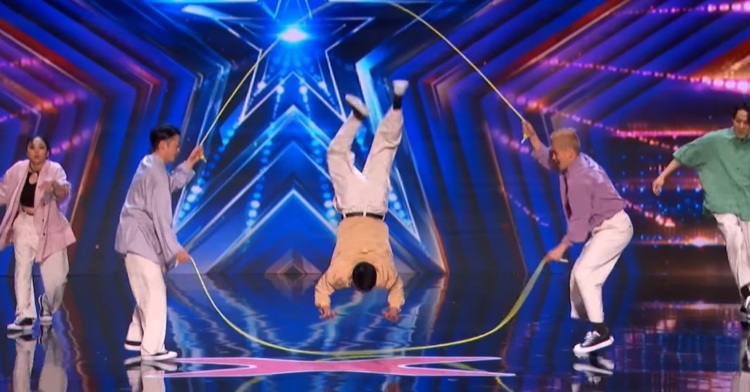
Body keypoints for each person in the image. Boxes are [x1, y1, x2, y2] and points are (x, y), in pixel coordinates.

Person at [524, 121, 633, 356]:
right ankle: (596, 327)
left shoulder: (580, 178)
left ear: (569, 153)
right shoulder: (572, 164)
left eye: (556, 152)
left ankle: (600, 332)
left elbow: (580, 223)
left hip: (615, 229)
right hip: (605, 228)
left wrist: (561, 247)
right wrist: (533, 136)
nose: (553, 155)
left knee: (584, 274)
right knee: (580, 276)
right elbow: (547, 158)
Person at [314, 80, 409, 322]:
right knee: (357, 154)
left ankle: (394, 104)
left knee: (383, 152)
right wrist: (323, 306)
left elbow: (396, 288)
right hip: (355, 204)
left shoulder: (385, 275)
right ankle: (380, 109)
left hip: (371, 204)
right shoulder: (341, 274)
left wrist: (395, 308)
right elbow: (322, 288)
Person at [652, 103, 750, 325]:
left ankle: (746, 306)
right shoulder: (715, 141)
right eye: (738, 121)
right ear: (732, 120)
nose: (741, 126)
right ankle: (747, 292)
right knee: (734, 238)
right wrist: (662, 176)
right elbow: (685, 154)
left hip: (748, 204)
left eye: (746, 122)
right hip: (723, 202)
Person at [115, 124, 202, 362]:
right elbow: (162, 218)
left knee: (146, 291)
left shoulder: (149, 165)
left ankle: (136, 335)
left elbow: (169, 184)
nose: (177, 150)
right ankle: (152, 349)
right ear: (162, 145)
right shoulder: (154, 173)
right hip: (140, 240)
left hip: (134, 240)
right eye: (175, 145)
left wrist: (189, 162)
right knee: (154, 293)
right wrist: (175, 249)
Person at [0, 137, 75, 333]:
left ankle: (47, 303)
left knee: (58, 278)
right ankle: (24, 314)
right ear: (27, 151)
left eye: (41, 148)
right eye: (32, 147)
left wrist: (54, 187)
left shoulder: (55, 170)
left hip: (48, 226)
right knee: (22, 269)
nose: (36, 151)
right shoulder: (18, 170)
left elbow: (63, 191)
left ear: (47, 152)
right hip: (24, 223)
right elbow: (3, 191)